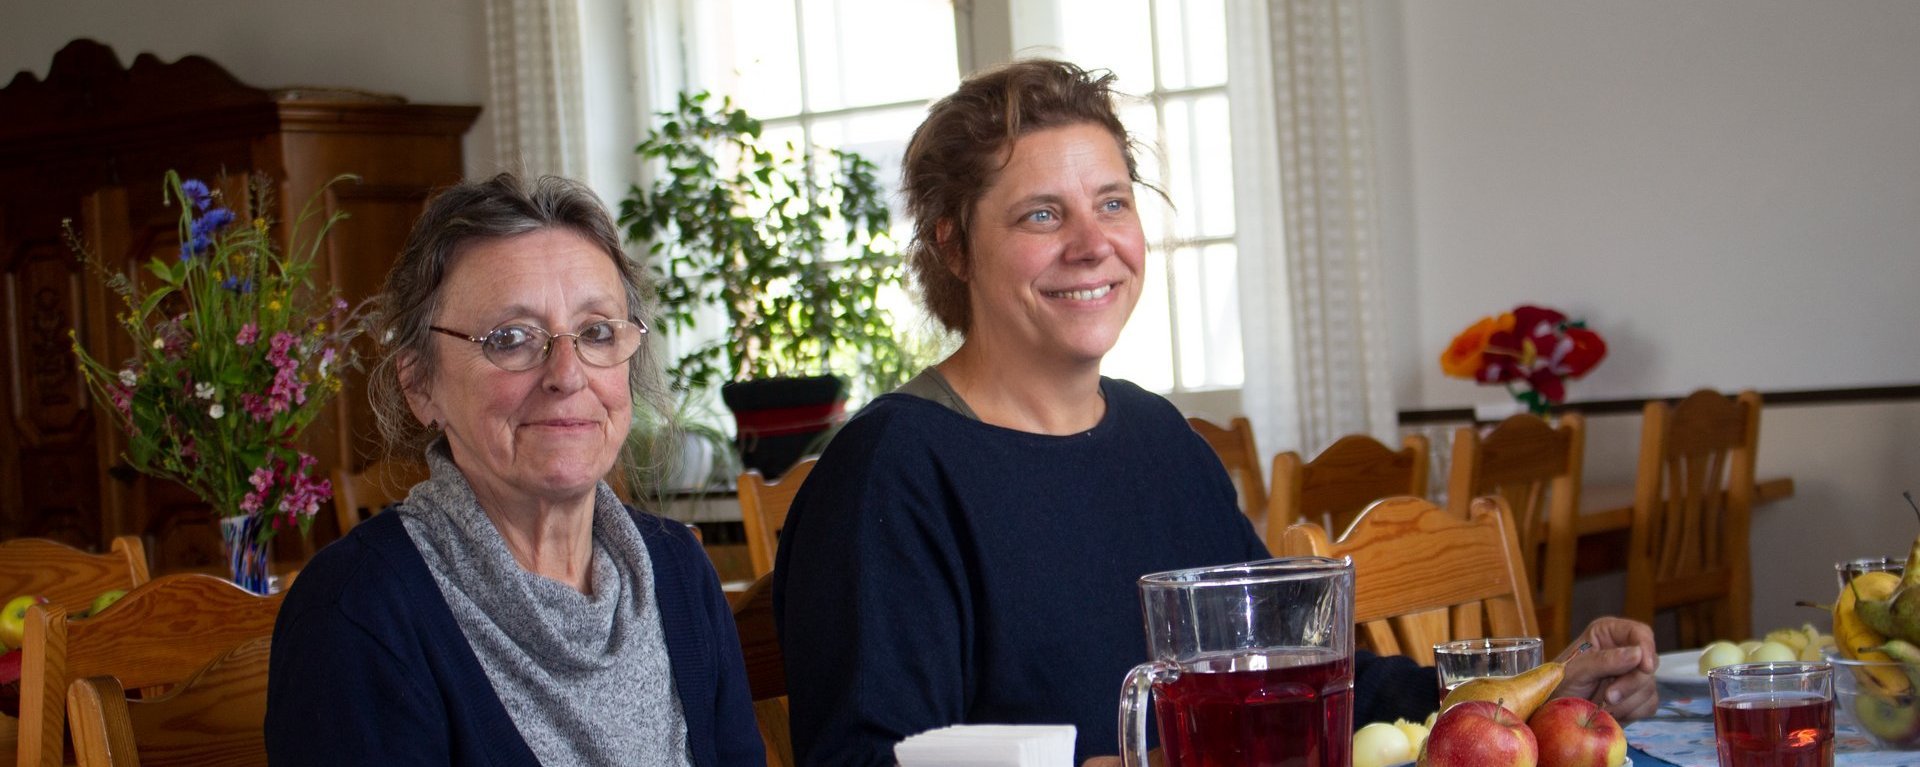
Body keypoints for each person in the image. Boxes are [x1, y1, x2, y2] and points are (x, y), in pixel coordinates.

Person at [772, 59, 1658, 766]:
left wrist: (1553, 687)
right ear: (953, 245)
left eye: (1112, 202)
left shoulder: (1161, 440)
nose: (1094, 244)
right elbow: (863, 755)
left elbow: (1316, 681)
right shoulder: (891, 470)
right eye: (1043, 214)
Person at [265, 174, 763, 765]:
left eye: (596, 332)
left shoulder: (678, 570)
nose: (567, 374)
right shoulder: (355, 616)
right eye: (511, 338)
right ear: (419, 384)